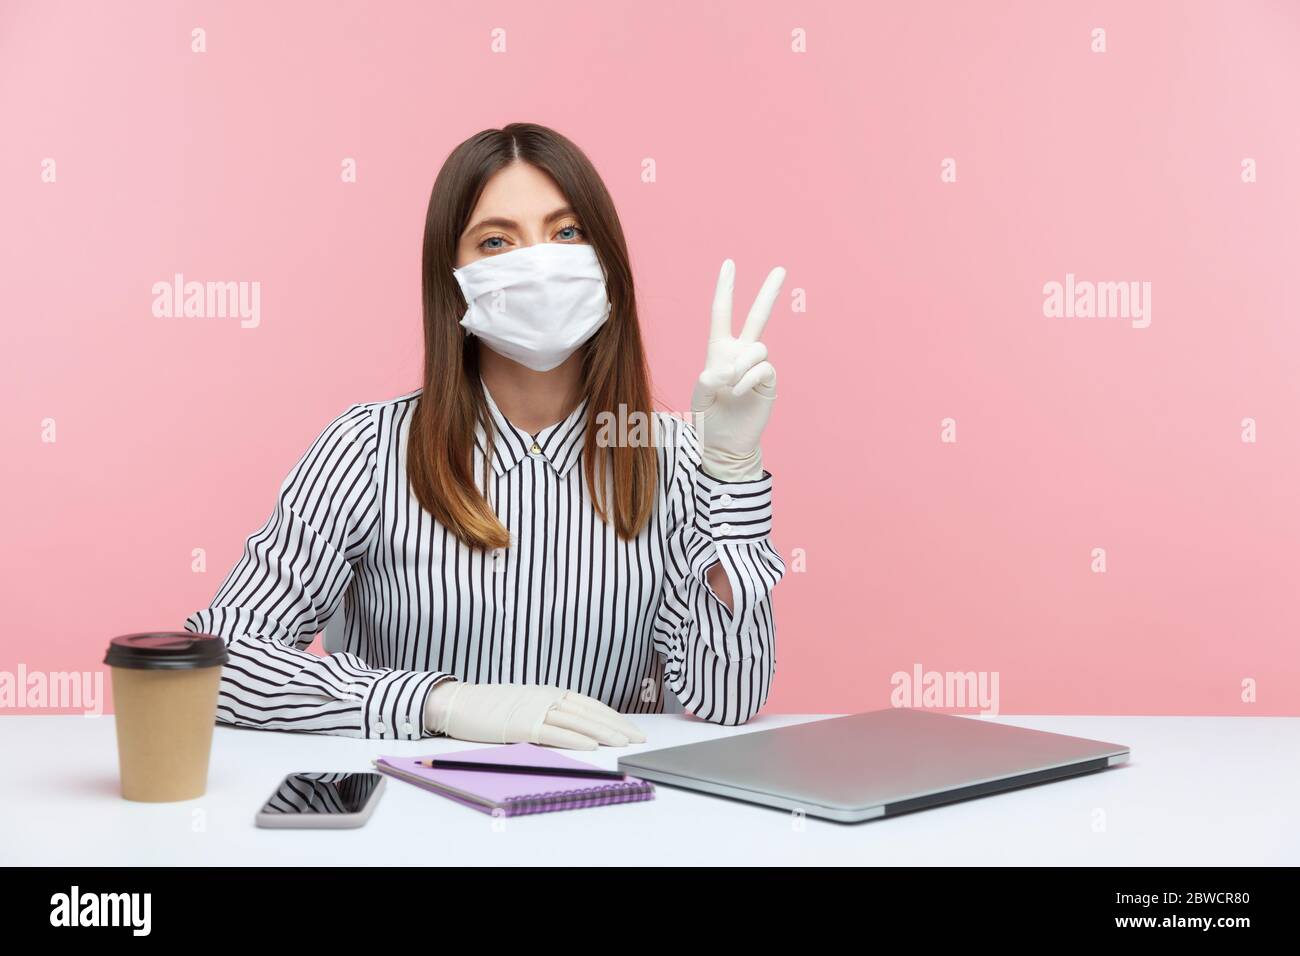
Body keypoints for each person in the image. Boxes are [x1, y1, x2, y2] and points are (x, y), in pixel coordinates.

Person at [184, 122, 786, 749]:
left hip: (601, 820)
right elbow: (219, 662)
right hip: (417, 822)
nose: (540, 263)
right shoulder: (366, 448)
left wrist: (732, 470)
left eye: (568, 232)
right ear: (453, 277)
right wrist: (438, 702)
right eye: (497, 241)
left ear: (605, 260)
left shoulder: (675, 455)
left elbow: (728, 698)